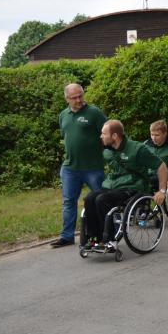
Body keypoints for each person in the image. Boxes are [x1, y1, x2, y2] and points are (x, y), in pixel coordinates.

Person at [83, 120, 167, 247]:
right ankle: (94, 237)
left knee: (102, 200)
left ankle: (110, 238)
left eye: (104, 133)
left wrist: (162, 191)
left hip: (132, 186)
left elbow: (161, 167)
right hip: (112, 185)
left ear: (115, 136)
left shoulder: (137, 149)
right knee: (89, 198)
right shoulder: (107, 149)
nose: (101, 136)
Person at [51, 83, 106, 248]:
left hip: (93, 167)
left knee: (101, 199)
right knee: (68, 201)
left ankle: (106, 232)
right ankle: (67, 236)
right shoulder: (63, 115)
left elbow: (107, 134)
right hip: (70, 168)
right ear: (67, 98)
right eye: (74, 97)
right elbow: (66, 136)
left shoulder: (94, 113)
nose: (78, 100)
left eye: (80, 95)